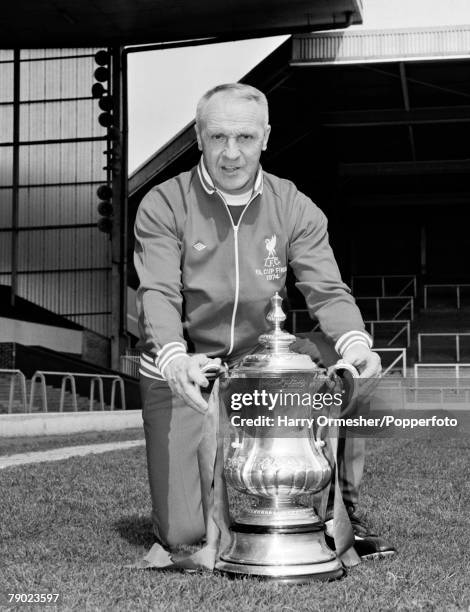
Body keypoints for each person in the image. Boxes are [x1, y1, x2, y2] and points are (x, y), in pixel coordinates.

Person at [134, 82, 395, 562]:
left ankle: (343, 512)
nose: (231, 153)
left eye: (245, 138)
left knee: (347, 370)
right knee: (186, 535)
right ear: (199, 136)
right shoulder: (163, 203)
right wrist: (175, 361)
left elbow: (327, 290)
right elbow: (158, 293)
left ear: (266, 137)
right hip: (185, 368)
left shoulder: (293, 205)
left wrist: (358, 346)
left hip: (260, 368)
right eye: (218, 138)